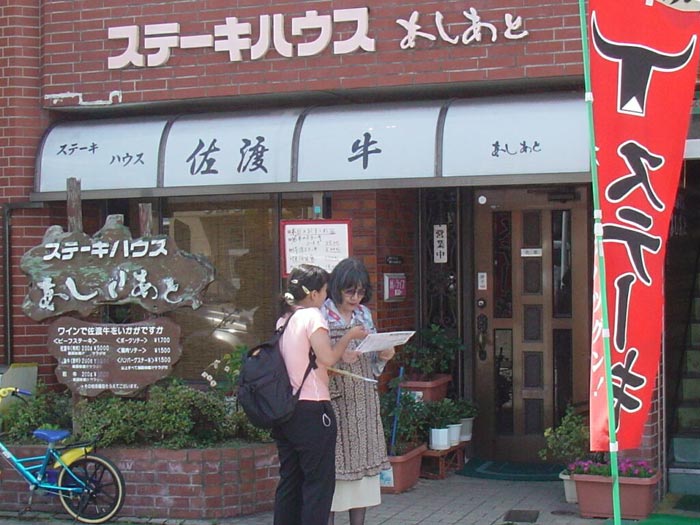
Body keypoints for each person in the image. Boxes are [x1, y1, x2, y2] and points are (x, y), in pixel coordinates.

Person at [272, 264, 366, 525]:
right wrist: (348, 336)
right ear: (313, 294)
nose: (326, 297)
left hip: (287, 409)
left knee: (290, 481)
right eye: (324, 291)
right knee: (318, 485)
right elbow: (327, 358)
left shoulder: (284, 319)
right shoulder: (313, 316)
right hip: (313, 409)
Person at [321, 258, 395, 525]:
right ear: (337, 288)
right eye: (349, 291)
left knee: (363, 472)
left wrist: (384, 354)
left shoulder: (364, 314)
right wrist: (341, 352)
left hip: (363, 398)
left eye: (360, 292)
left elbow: (374, 364)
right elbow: (314, 360)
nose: (355, 298)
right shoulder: (320, 314)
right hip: (334, 399)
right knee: (332, 469)